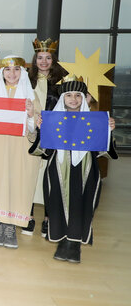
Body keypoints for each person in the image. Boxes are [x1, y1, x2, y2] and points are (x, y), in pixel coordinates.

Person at [31, 77, 117, 263]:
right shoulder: (53, 119)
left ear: (85, 98)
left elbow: (105, 150)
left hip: (85, 169)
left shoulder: (95, 120)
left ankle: (74, 244)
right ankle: (62, 241)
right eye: (68, 95)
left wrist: (108, 130)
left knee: (81, 205)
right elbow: (44, 151)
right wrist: (42, 130)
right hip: (58, 168)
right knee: (56, 203)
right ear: (62, 98)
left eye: (78, 95)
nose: (73, 99)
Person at [0, 55, 40, 249]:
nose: (12, 74)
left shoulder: (32, 95)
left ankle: (11, 226)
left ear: (23, 72)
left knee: (17, 182)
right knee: (0, 183)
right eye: (8, 70)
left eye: (17, 70)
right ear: (2, 72)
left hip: (21, 149)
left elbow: (35, 129)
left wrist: (31, 115)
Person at [27, 38, 67, 236]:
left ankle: (48, 218)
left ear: (54, 60)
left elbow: (74, 102)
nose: (43, 62)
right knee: (31, 175)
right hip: (32, 132)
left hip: (55, 135)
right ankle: (29, 216)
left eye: (48, 58)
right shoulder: (27, 79)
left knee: (50, 176)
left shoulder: (62, 81)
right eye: (40, 58)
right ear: (35, 60)